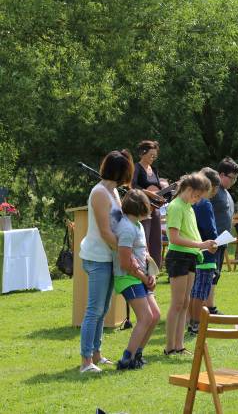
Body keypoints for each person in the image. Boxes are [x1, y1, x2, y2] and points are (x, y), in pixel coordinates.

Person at [78, 150, 134, 373]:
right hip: (98, 257)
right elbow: (104, 231)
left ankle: (97, 355)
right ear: (120, 171)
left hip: (109, 257)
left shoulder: (113, 193)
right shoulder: (100, 193)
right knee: (94, 309)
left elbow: (118, 225)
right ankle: (85, 362)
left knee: (103, 309)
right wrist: (124, 253)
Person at [164, 173, 216, 355]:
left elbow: (191, 235)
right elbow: (174, 237)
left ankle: (179, 345)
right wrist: (201, 245)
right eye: (197, 196)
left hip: (191, 257)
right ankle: (169, 346)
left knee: (185, 303)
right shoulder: (176, 206)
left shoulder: (188, 207)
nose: (197, 200)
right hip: (178, 257)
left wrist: (206, 245)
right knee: (177, 303)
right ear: (189, 189)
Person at [112, 189, 161, 370]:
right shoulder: (125, 228)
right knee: (145, 317)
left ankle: (137, 353)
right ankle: (126, 359)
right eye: (149, 205)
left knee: (154, 316)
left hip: (141, 276)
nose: (151, 209)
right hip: (128, 278)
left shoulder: (138, 226)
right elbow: (125, 262)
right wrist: (142, 277)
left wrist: (152, 275)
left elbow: (144, 253)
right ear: (141, 207)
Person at [188, 167, 221, 335]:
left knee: (194, 289)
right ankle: (196, 323)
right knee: (201, 291)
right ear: (211, 187)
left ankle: (191, 321)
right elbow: (210, 229)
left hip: (193, 249)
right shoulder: (205, 203)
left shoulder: (191, 202)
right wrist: (216, 242)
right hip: (206, 252)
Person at [131, 140, 165, 269]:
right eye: (151, 155)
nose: (153, 158)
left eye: (155, 156)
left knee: (156, 240)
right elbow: (132, 186)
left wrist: (161, 196)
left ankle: (154, 269)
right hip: (142, 209)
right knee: (144, 239)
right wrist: (149, 194)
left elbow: (157, 187)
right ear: (142, 153)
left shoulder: (154, 169)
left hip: (155, 208)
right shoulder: (136, 168)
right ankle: (142, 267)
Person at [211, 157, 238, 276]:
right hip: (212, 242)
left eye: (236, 179)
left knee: (216, 276)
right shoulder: (213, 190)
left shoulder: (226, 191)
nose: (234, 181)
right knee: (210, 276)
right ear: (221, 175)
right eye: (232, 178)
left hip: (222, 241)